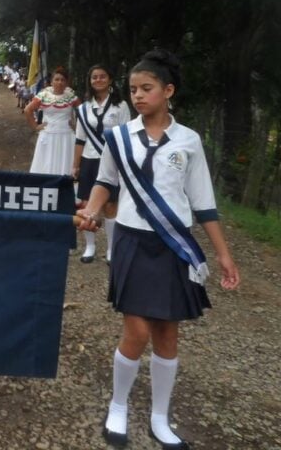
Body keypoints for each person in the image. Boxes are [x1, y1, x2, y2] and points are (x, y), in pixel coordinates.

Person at [77, 49, 240, 449]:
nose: (138, 96)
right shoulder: (119, 137)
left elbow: (203, 203)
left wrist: (222, 253)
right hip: (131, 241)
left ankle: (160, 417)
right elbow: (106, 183)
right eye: (133, 89)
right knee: (136, 330)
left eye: (147, 88)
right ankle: (118, 407)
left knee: (168, 333)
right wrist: (94, 210)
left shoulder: (189, 141)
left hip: (172, 246)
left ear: (168, 90)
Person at [72, 65, 131, 264]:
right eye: (94, 77)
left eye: (102, 76)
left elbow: (126, 136)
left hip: (113, 160)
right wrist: (75, 165)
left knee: (111, 205)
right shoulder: (84, 107)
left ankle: (111, 249)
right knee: (88, 204)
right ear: (90, 81)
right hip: (89, 159)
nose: (98, 80)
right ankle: (90, 247)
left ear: (110, 79)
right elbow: (80, 138)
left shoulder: (121, 106)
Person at [24, 67, 80, 175]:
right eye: (57, 79)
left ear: (66, 82)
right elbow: (27, 110)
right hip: (48, 135)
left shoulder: (71, 95)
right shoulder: (43, 95)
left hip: (67, 136)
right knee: (45, 164)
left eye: (63, 80)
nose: (60, 82)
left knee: (66, 164)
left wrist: (76, 126)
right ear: (51, 81)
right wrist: (36, 126)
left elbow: (83, 112)